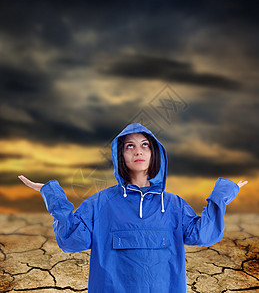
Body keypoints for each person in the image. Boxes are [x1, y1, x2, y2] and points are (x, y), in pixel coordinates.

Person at [18, 123, 248, 293]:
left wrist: (222, 195)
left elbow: (205, 234)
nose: (138, 151)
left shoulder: (173, 205)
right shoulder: (101, 203)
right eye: (130, 146)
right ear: (121, 156)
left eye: (145, 145)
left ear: (154, 153)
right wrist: (52, 195)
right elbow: (71, 240)